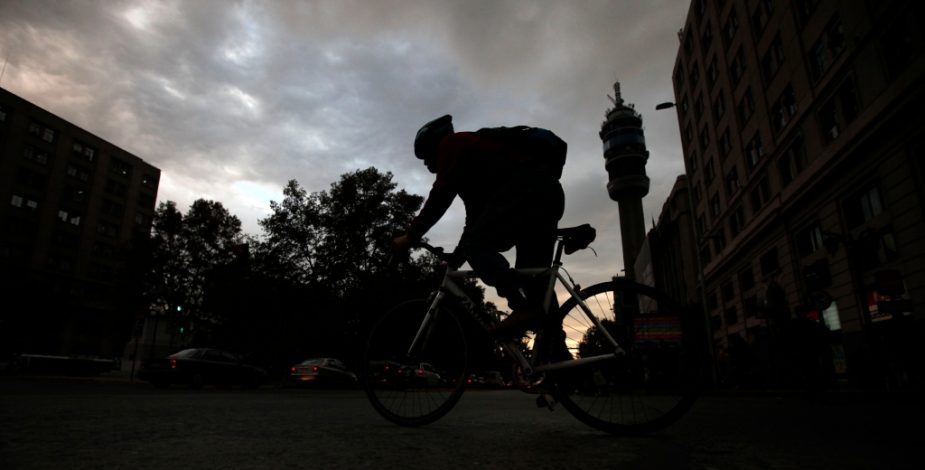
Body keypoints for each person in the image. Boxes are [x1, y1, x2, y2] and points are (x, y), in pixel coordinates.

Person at [392, 114, 566, 337]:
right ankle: (562, 361)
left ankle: (521, 305)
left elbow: (440, 196)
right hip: (545, 195)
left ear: (433, 144)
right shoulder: (477, 164)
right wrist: (456, 258)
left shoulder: (452, 144)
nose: (426, 164)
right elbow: (473, 220)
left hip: (528, 192)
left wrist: (409, 236)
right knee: (535, 285)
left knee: (478, 248)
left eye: (425, 157)